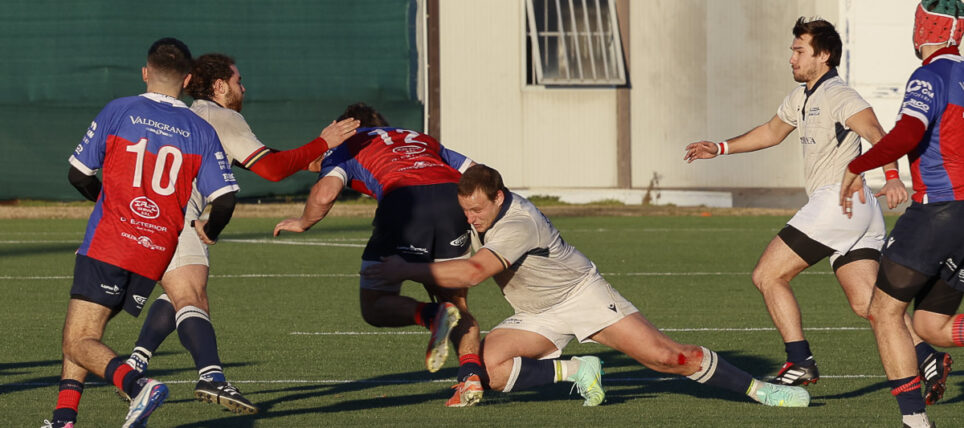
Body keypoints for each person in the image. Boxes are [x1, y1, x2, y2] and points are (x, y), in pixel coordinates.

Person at [362, 164, 811, 408]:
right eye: (466, 212)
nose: (471, 219)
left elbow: (475, 273)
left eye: (478, 211)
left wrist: (405, 270)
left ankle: (760, 390)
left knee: (668, 358)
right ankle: (579, 370)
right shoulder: (479, 210)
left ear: (498, 197)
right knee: (490, 369)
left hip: (582, 296)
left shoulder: (518, 221)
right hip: (538, 312)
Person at [683, 17, 949, 393]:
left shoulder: (839, 95)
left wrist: (892, 177)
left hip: (838, 203)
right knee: (871, 306)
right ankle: (927, 357)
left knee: (767, 275)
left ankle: (799, 360)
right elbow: (772, 132)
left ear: (823, 56)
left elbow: (878, 135)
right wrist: (721, 147)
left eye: (799, 51)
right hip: (855, 211)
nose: (791, 58)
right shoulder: (803, 96)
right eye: (792, 50)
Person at [115, 53, 359, 415]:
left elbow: (254, 156)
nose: (243, 87)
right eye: (238, 81)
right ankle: (211, 377)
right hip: (175, 219)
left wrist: (303, 158)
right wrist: (321, 142)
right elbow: (271, 169)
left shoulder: (186, 113)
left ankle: (136, 361)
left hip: (136, 217)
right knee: (193, 298)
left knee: (179, 291)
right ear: (219, 86)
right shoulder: (223, 116)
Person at [44, 38, 239, 428]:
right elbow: (227, 198)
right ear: (186, 80)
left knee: (77, 338)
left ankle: (137, 386)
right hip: (155, 252)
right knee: (86, 331)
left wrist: (107, 202)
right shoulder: (199, 128)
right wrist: (210, 230)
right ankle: (64, 418)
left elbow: (78, 175)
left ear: (145, 72)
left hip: (111, 242)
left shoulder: (121, 110)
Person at [273, 103, 485, 407]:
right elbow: (477, 171)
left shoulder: (347, 144)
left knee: (375, 306)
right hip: (453, 199)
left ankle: (430, 315)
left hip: (405, 205)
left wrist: (303, 222)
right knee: (456, 303)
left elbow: (325, 194)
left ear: (344, 125)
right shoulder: (417, 137)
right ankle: (471, 376)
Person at [840, 1, 964, 426]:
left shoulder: (931, 75)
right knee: (931, 327)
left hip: (940, 212)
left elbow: (909, 132)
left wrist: (858, 166)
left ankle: (914, 422)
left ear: (923, 28)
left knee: (882, 310)